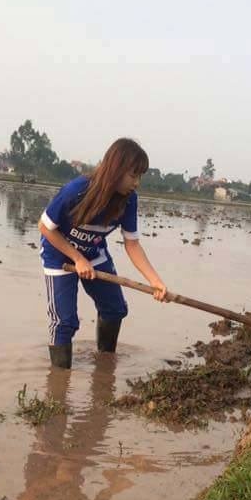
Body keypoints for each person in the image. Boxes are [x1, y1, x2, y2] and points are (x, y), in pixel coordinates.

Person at [38, 138, 167, 368]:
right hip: (59, 255)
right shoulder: (76, 191)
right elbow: (45, 228)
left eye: (140, 177)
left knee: (115, 309)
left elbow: (132, 244)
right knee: (64, 322)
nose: (137, 183)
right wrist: (77, 259)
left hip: (94, 254)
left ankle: (105, 363)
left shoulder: (128, 201)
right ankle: (59, 383)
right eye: (133, 175)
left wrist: (155, 282)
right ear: (115, 169)